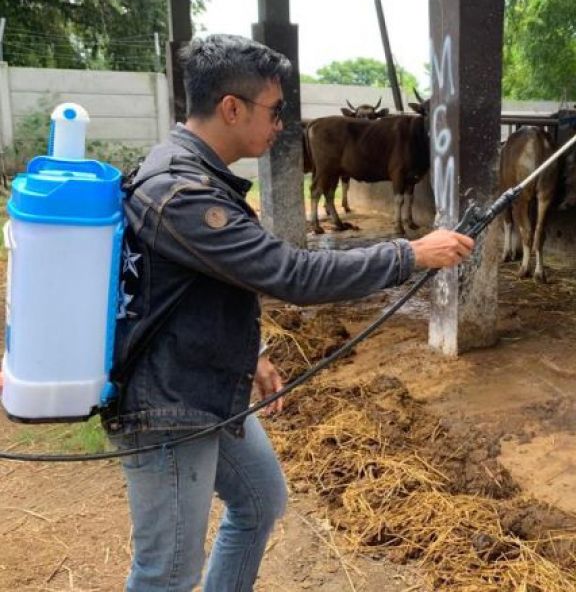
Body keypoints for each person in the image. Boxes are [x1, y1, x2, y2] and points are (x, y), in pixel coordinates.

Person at [100, 34, 474, 592]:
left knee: (260, 500)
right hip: (168, 404)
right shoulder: (182, 192)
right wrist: (410, 253)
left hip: (207, 383)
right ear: (232, 107)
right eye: (274, 111)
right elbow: (292, 274)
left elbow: (205, 284)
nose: (281, 126)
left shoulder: (196, 175)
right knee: (167, 572)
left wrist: (251, 353)